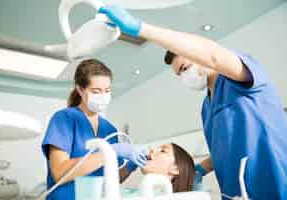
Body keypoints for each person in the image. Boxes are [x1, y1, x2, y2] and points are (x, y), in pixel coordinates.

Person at [98, 5, 287, 199]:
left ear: (199, 56)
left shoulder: (243, 78)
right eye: (178, 74)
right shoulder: (207, 108)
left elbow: (213, 56)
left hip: (274, 187)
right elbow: (228, 149)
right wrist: (200, 169)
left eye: (184, 68)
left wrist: (141, 29)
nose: (183, 77)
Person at [41, 59, 146, 200]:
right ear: (80, 89)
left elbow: (110, 180)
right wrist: (112, 151)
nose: (103, 96)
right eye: (96, 91)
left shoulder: (109, 129)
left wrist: (130, 167)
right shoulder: (64, 119)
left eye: (107, 91)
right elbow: (59, 172)